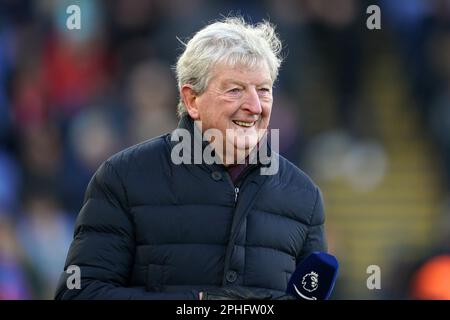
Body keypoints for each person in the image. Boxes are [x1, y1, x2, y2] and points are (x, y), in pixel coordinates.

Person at [55, 17, 327, 300]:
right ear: (191, 100)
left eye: (264, 90)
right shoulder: (122, 178)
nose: (254, 106)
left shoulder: (304, 197)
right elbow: (79, 294)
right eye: (235, 90)